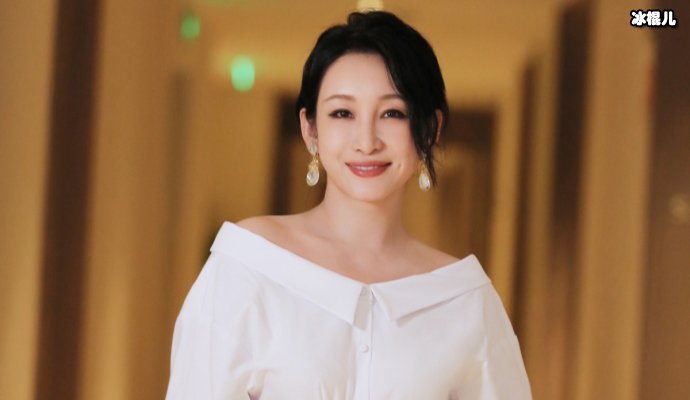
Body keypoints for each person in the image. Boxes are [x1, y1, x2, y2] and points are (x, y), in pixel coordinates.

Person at [166, 10, 531, 400]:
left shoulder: (464, 299)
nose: (366, 141)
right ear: (310, 128)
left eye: (393, 113)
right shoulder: (250, 267)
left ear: (429, 129)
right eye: (343, 113)